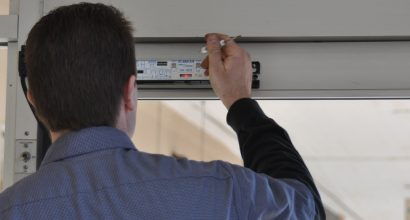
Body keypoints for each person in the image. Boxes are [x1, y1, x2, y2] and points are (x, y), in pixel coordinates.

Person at [0, 3, 325, 219]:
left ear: (33, 100)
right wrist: (240, 103)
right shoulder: (219, 190)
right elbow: (305, 208)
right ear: (130, 93)